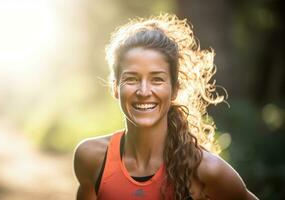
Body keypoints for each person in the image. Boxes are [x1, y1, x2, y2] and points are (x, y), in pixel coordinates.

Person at [73, 13, 258, 200]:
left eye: (157, 79)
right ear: (115, 87)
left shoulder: (205, 170)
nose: (144, 91)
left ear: (175, 89)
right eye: (131, 79)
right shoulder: (91, 157)